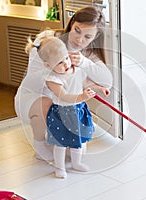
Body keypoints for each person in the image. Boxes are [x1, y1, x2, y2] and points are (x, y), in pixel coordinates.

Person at [14, 6, 112, 163]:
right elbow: (33, 79)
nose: (80, 40)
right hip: (36, 98)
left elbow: (107, 81)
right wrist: (58, 69)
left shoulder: (86, 53)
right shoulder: (49, 41)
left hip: (63, 105)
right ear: (72, 23)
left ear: (95, 37)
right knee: (48, 104)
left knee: (77, 151)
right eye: (77, 30)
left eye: (87, 37)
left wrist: (85, 64)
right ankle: (39, 144)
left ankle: (56, 139)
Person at [27, 36, 110, 178]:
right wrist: (82, 97)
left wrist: (98, 88)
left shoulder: (74, 69)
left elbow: (85, 83)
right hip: (62, 113)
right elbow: (64, 95)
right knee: (60, 142)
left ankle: (76, 163)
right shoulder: (53, 79)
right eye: (60, 62)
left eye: (66, 58)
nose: (66, 63)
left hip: (78, 111)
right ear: (48, 66)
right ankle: (59, 168)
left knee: (78, 139)